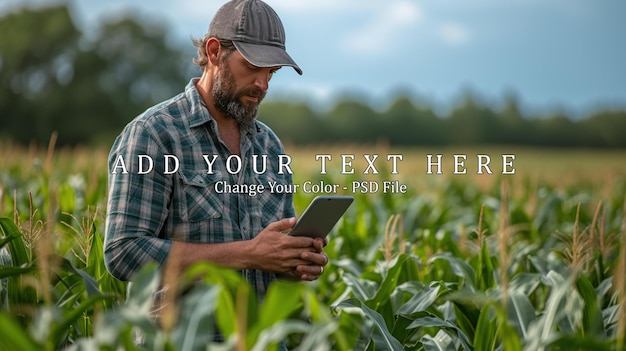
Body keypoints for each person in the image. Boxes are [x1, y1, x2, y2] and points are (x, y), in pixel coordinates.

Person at [104, 0, 327, 307]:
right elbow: (123, 253)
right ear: (213, 52)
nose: (262, 83)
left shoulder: (271, 147)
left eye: (271, 72)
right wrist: (248, 253)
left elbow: (266, 263)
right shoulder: (155, 134)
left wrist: (292, 260)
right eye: (251, 66)